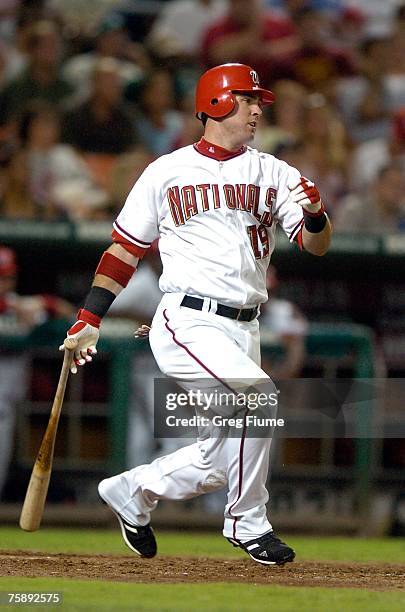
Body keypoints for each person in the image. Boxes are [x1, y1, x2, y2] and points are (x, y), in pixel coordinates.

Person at [61, 63, 332, 565]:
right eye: (247, 100)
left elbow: (315, 245)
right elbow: (124, 250)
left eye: (257, 101)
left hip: (246, 325)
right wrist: (89, 317)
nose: (256, 109)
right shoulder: (166, 171)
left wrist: (316, 214)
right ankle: (248, 523)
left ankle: (132, 490)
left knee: (221, 455)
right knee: (259, 401)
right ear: (217, 103)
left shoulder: (273, 170)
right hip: (188, 318)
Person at [0, 245, 74, 499]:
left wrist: (42, 303)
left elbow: (63, 311)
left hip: (9, 401)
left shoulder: (18, 305)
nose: (5, 283)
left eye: (8, 277)